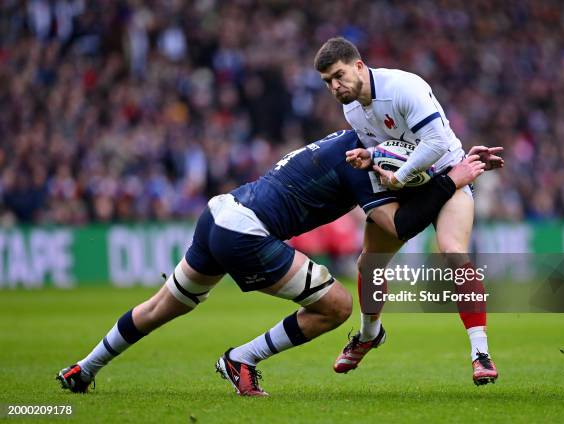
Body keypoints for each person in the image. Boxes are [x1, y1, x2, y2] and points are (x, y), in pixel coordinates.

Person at [56, 130, 486, 397]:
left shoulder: (344, 140)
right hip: (246, 231)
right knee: (335, 307)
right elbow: (394, 226)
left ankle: (84, 367)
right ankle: (241, 359)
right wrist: (451, 180)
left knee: (161, 306)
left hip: (220, 211)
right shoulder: (362, 157)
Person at [314, 37, 503, 385]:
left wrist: (399, 176)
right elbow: (390, 150)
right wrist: (371, 158)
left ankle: (481, 353)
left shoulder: (403, 87)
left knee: (453, 252)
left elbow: (434, 144)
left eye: (338, 75)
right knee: (367, 264)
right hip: (407, 187)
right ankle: (369, 334)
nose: (334, 86)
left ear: (358, 66)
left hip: (450, 177)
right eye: (327, 81)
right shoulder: (351, 107)